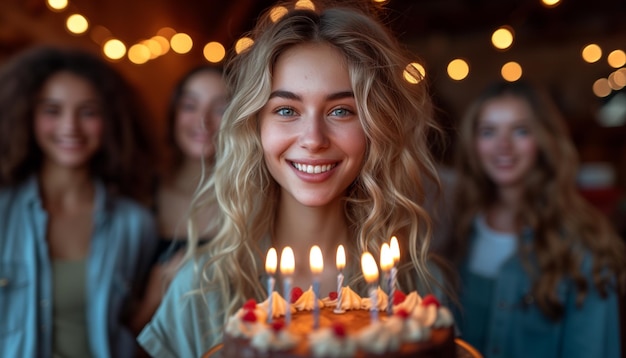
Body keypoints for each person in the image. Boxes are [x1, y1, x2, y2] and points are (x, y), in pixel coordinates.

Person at [138, 2, 444, 357]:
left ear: (377, 128)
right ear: (254, 127)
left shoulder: (416, 280)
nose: (313, 139)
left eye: (342, 110)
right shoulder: (201, 286)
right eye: (286, 110)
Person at [448, 80, 626, 358]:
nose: (503, 145)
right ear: (473, 143)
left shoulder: (585, 243)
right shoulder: (456, 231)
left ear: (543, 139)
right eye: (488, 131)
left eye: (520, 130)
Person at [0, 46, 158, 357]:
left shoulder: (135, 224)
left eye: (88, 112)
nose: (70, 126)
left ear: (110, 120)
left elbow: (133, 330)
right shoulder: (3, 210)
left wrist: (154, 300)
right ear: (26, 116)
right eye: (52, 110)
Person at [134, 65, 228, 329]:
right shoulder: (140, 194)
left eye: (220, 108)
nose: (203, 120)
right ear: (173, 113)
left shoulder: (255, 199)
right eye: (190, 105)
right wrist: (153, 298)